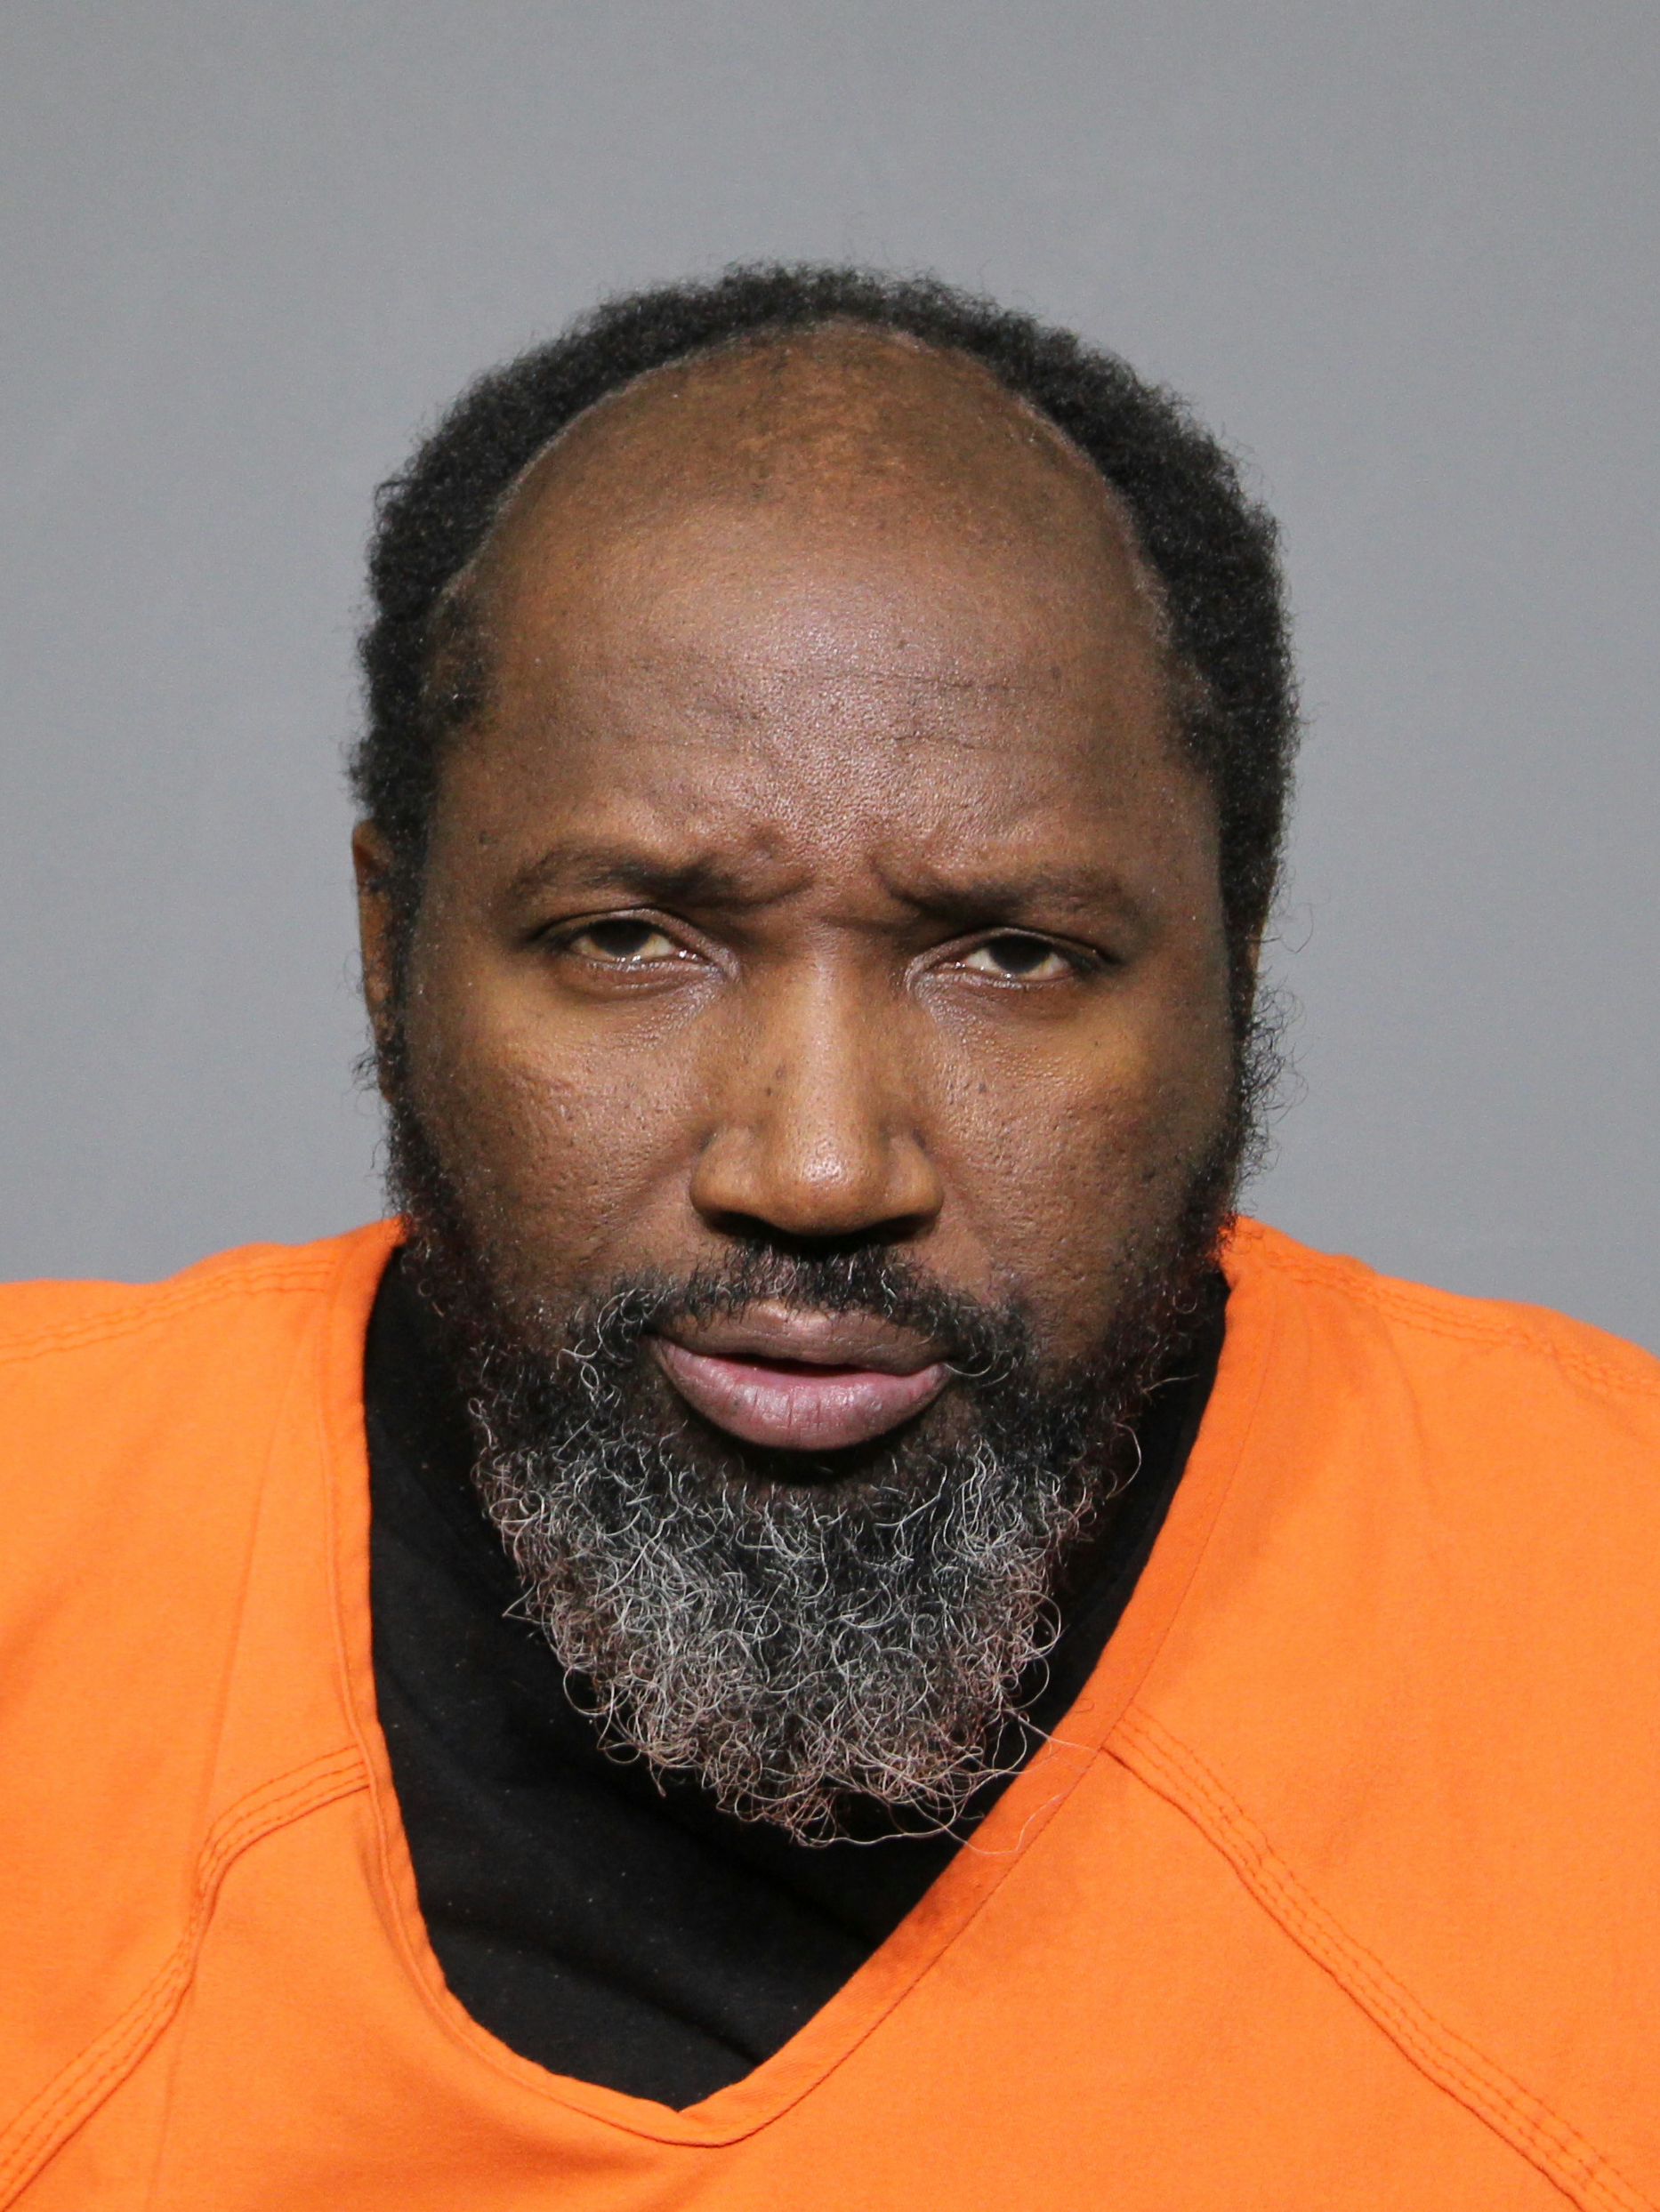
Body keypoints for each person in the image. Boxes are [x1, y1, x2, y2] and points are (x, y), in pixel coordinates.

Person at [2, 265, 1655, 2212]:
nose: (813, 1166)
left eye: (1011, 955)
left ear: (1236, 962)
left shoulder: (1608, 1628)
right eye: (631, 938)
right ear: (393, 947)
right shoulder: (43, 1532)